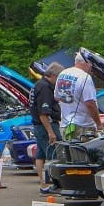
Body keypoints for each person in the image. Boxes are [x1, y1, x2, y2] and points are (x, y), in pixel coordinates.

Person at [30, 61, 63, 194]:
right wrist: (51, 132)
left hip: (38, 126)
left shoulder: (37, 85)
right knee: (54, 154)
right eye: (59, 78)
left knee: (40, 155)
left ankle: (43, 185)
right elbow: (43, 113)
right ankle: (55, 184)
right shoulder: (45, 88)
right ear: (54, 76)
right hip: (46, 126)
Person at [54, 52, 104, 140]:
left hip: (66, 125)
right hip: (83, 126)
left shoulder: (63, 74)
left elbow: (57, 97)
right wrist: (99, 124)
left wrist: (71, 101)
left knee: (69, 152)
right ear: (87, 63)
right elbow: (90, 103)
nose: (92, 67)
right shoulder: (85, 77)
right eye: (92, 64)